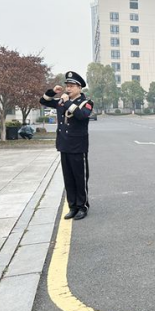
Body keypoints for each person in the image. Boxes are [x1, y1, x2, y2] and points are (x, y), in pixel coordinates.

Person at [40, 71, 94, 221]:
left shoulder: (86, 102)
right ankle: (73, 206)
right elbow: (43, 101)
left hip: (78, 146)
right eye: (67, 86)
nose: (68, 89)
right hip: (64, 144)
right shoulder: (62, 101)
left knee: (79, 177)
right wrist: (52, 92)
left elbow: (82, 115)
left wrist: (68, 102)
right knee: (68, 178)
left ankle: (82, 206)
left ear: (79, 87)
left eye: (71, 86)